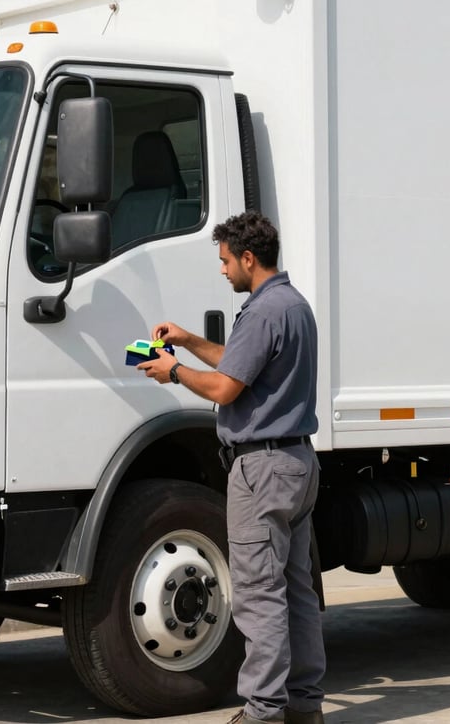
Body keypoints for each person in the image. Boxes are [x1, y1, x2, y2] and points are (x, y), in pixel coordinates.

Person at [138, 210, 325, 724]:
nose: (222, 271)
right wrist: (190, 341)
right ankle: (306, 707)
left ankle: (263, 713)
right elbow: (239, 363)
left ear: (248, 258)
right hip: (297, 463)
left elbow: (225, 388)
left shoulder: (263, 311)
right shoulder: (293, 305)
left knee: (259, 597)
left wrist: (173, 370)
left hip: (261, 470)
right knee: (296, 591)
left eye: (225, 261)